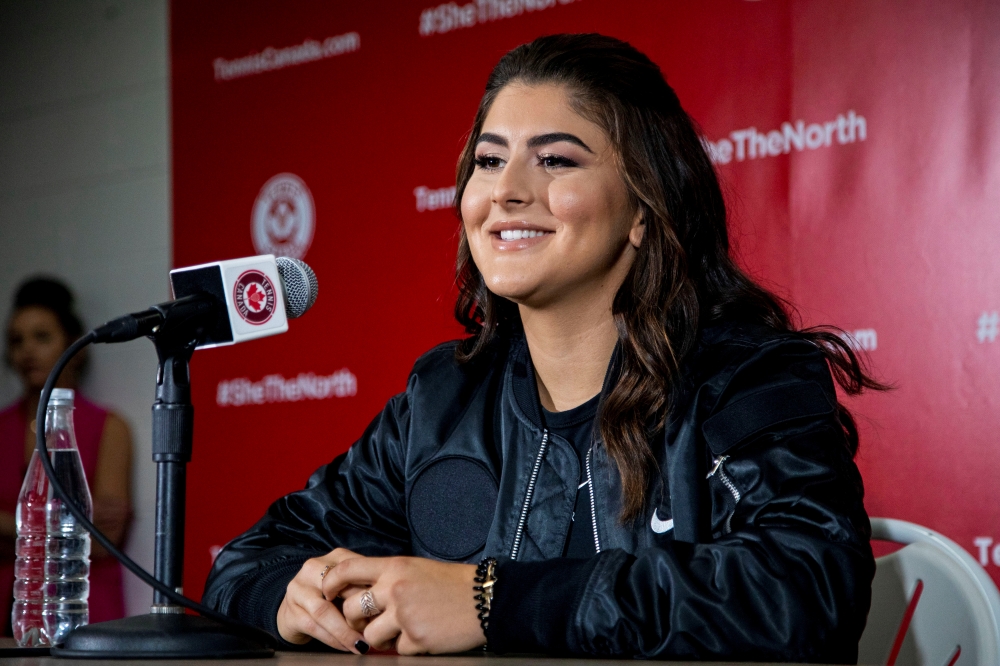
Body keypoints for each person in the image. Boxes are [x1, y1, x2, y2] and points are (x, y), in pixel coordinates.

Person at [203, 34, 885, 662]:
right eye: (489, 160)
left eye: (555, 160)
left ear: (645, 207)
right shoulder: (443, 399)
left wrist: (492, 600)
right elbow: (246, 563)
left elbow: (807, 590)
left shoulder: (744, 376)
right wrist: (286, 596)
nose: (506, 191)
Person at [0, 278, 133, 635]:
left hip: (86, 613)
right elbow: (81, 529)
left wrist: (16, 526)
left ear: (75, 345)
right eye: (17, 341)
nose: (27, 350)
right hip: (11, 613)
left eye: (42, 337)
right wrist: (62, 524)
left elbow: (104, 540)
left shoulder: (109, 427)